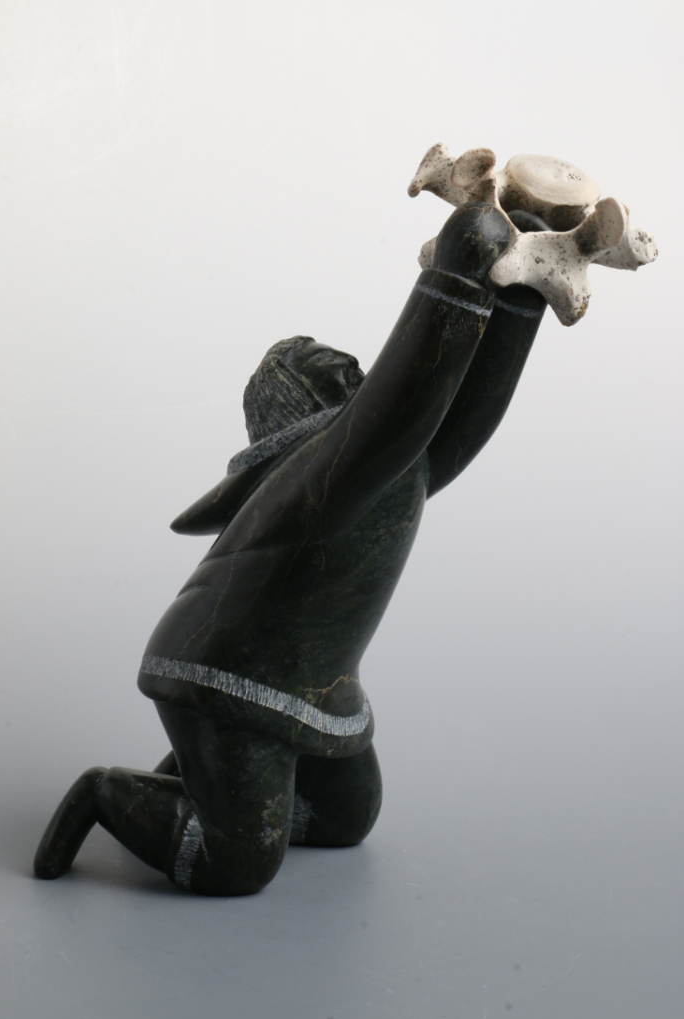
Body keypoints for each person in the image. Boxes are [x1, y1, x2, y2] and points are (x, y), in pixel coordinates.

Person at [34, 202, 548, 895]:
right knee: (238, 863)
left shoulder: (392, 466)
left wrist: (520, 292)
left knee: (345, 818)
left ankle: (210, 777)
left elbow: (459, 419)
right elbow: (405, 398)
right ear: (306, 407)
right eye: (340, 372)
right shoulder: (322, 469)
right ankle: (104, 793)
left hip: (313, 680)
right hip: (228, 673)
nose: (363, 372)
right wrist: (458, 270)